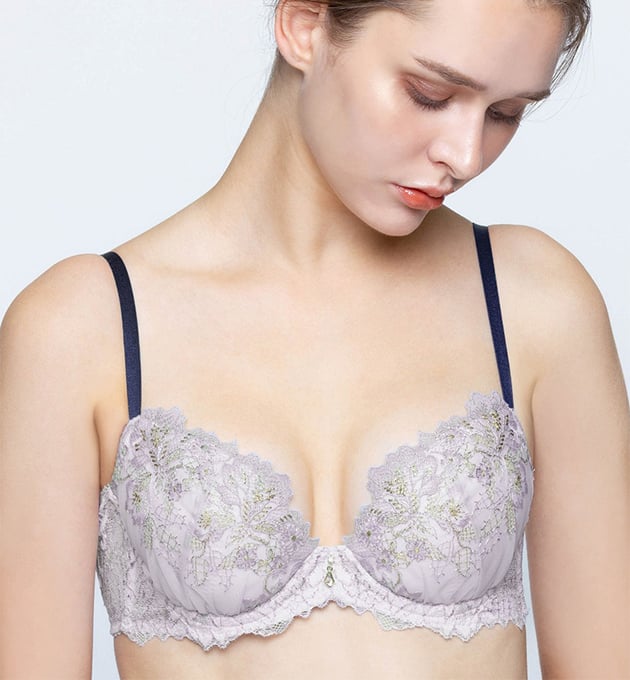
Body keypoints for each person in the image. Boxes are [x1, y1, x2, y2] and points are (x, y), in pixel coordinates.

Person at [1, 0, 628, 678]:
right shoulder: (80, 331)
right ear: (304, 26)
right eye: (429, 94)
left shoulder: (535, 302)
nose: (465, 154)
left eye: (505, 113)